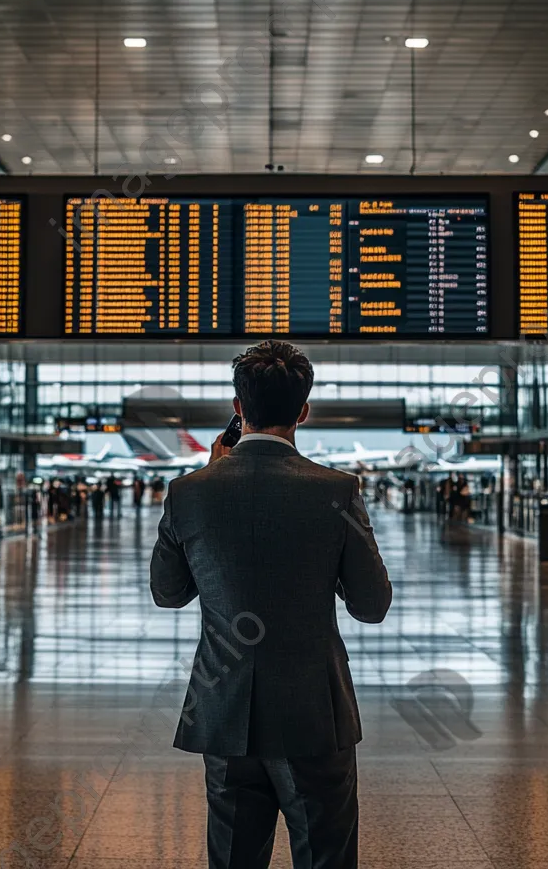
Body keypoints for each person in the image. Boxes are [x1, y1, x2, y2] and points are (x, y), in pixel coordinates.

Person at [151, 340, 392, 869]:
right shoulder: (337, 489)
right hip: (313, 712)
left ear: (239, 409)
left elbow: (167, 593)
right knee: (324, 853)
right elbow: (372, 605)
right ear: (303, 411)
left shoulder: (189, 491)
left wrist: (208, 478)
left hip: (224, 709)